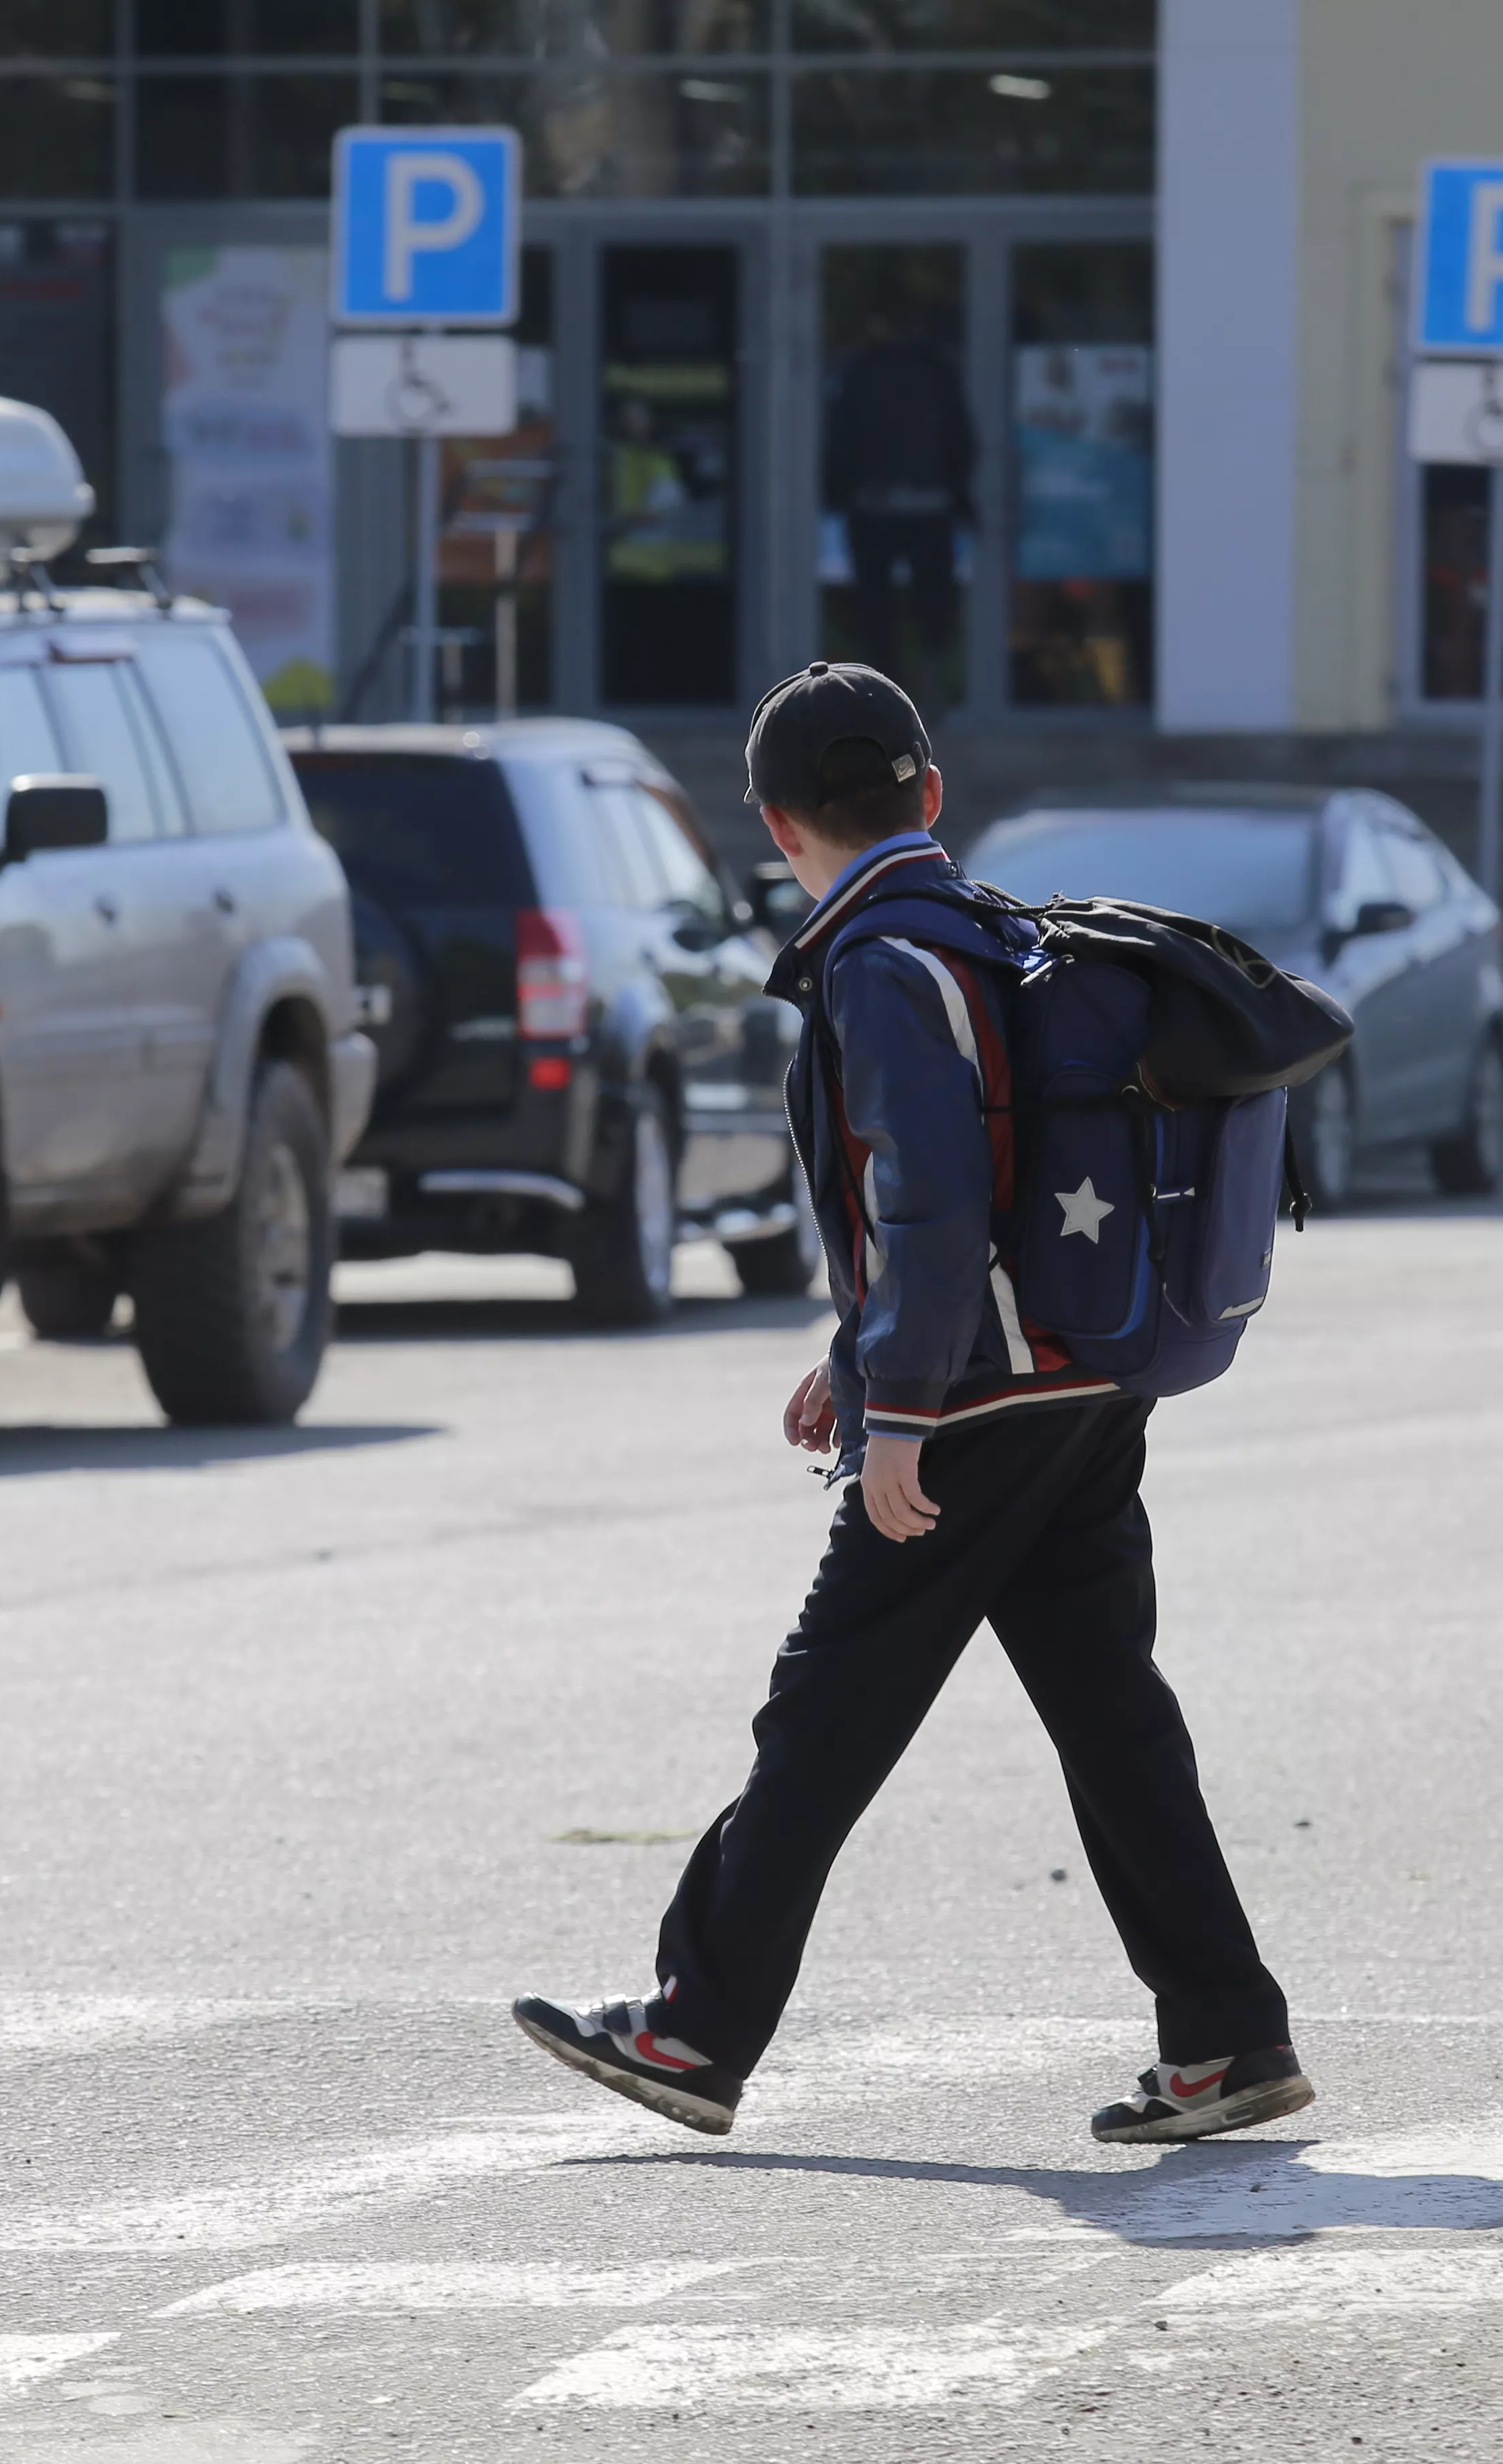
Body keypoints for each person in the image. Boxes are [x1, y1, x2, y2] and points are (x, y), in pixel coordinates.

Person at [513, 663, 1305, 2148]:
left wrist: (902, 1416)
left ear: (775, 823)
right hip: (1079, 1381)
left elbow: (935, 1200)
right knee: (1112, 1715)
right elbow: (975, 1197)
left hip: (978, 1411)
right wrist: (857, 1351)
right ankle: (1226, 2037)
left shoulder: (879, 960)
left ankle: (695, 2031)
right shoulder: (986, 930)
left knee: (823, 1718)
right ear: (930, 796)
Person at [823, 315, 975, 691]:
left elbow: (841, 439)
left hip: (872, 505)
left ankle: (879, 687)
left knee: (876, 607)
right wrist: (960, 495)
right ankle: (934, 689)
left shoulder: (861, 371)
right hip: (931, 506)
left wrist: (837, 492)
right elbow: (961, 438)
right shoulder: (938, 371)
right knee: (932, 606)